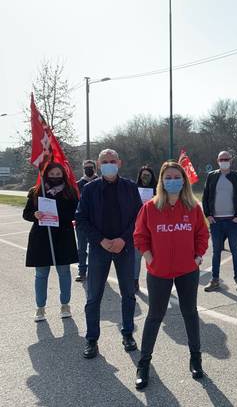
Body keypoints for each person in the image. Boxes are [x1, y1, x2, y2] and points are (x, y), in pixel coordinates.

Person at [133, 161, 209, 389]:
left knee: (190, 313)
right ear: (162, 181)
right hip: (159, 271)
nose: (172, 180)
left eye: (177, 177)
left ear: (183, 181)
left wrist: (197, 257)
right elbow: (140, 235)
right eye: (168, 177)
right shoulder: (150, 207)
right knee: (155, 315)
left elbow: (202, 234)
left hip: (187, 270)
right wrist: (148, 256)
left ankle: (196, 358)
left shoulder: (193, 207)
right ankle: (144, 363)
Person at [75, 149, 142, 359]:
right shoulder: (90, 189)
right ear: (98, 164)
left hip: (125, 248)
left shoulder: (130, 187)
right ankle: (91, 339)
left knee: (128, 295)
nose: (109, 164)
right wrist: (101, 240)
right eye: (105, 161)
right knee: (94, 297)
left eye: (113, 161)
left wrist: (123, 239)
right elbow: (81, 219)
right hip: (99, 249)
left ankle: (128, 333)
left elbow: (139, 217)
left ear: (119, 163)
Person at [23, 162, 79, 322]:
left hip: (63, 237)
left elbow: (76, 213)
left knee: (64, 272)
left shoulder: (70, 192)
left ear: (63, 175)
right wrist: (35, 215)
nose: (55, 177)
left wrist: (57, 215)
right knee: (41, 274)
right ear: (46, 174)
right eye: (52, 174)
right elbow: (26, 214)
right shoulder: (35, 192)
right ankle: (40, 308)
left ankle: (65, 305)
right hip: (41, 238)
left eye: (58, 175)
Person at [202, 151, 237, 292]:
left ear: (231, 160)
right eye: (221, 159)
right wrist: (208, 215)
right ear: (217, 160)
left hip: (232, 221)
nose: (224, 161)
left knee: (235, 251)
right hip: (216, 221)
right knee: (216, 252)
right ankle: (215, 280)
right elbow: (205, 196)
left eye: (226, 159)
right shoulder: (212, 176)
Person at [134, 165, 158, 292]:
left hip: (154, 228)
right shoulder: (134, 189)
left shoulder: (158, 190)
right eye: (143, 175)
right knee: (136, 257)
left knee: (154, 256)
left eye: (148, 175)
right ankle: (135, 281)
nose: (145, 178)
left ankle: (155, 280)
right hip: (138, 226)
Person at [75, 159, 98, 282]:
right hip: (81, 222)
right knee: (81, 249)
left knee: (95, 249)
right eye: (86, 168)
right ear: (83, 169)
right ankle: (82, 271)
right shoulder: (77, 184)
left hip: (97, 222)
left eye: (90, 167)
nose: (88, 170)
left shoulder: (100, 182)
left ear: (95, 169)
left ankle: (95, 272)